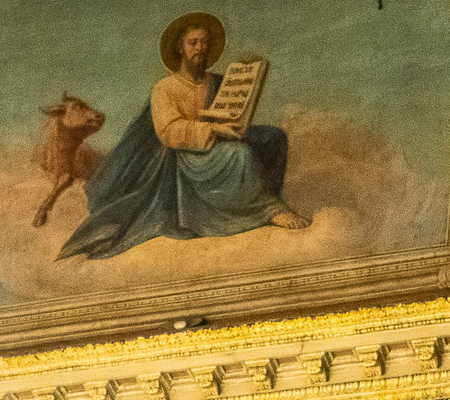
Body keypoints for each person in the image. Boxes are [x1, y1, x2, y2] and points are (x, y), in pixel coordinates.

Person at [59, 12, 308, 262]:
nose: (200, 48)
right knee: (239, 154)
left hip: (220, 140)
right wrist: (212, 130)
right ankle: (267, 210)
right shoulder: (165, 89)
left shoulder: (218, 82)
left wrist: (245, 84)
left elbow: (235, 112)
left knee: (273, 137)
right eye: (193, 43)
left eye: (204, 42)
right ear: (180, 47)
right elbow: (168, 132)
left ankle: (267, 196)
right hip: (188, 156)